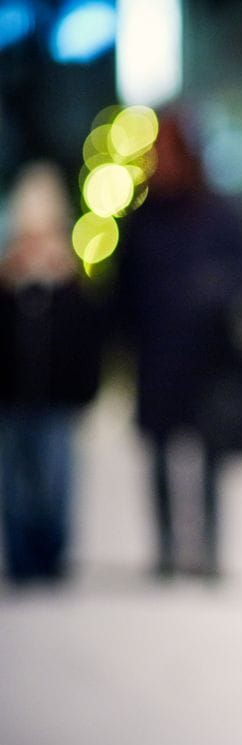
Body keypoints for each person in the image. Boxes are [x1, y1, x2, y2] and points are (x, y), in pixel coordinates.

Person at [115, 109, 242, 579]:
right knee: (158, 455)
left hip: (207, 356)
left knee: (209, 456)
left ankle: (209, 551)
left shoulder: (219, 215)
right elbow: (124, 289)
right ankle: (167, 550)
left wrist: (212, 293)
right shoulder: (143, 219)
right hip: (157, 356)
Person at [0, 160, 105, 584]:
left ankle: (51, 554)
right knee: (17, 485)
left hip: (57, 400)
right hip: (13, 399)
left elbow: (84, 343)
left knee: (54, 481)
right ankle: (24, 558)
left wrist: (83, 389)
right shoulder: (7, 287)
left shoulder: (69, 285)